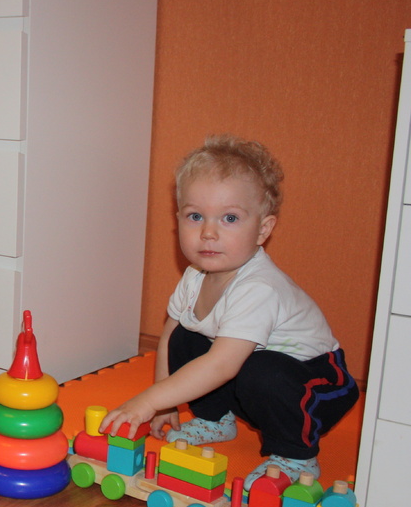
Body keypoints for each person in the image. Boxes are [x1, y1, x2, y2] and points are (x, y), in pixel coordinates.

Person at [100, 135, 358, 488]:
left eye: (230, 218)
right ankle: (216, 418)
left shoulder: (259, 288)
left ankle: (297, 456)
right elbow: (169, 339)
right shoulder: (195, 277)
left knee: (260, 370)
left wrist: (146, 402)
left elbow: (222, 365)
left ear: (263, 229)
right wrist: (164, 403)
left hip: (315, 387)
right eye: (195, 216)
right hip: (250, 375)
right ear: (178, 219)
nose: (208, 232)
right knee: (185, 336)